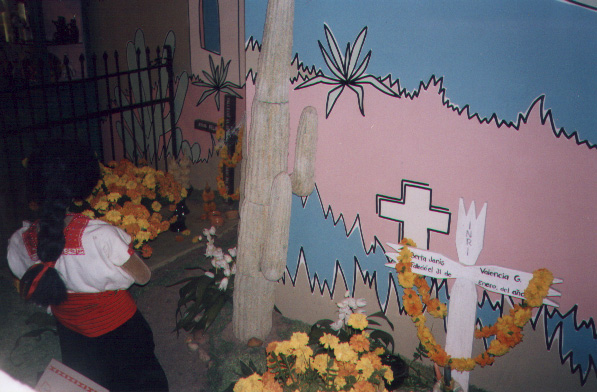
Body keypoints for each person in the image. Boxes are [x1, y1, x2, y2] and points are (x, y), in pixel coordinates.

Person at [7, 139, 168, 392]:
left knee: (88, 382)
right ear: (82, 183)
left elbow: (24, 272)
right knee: (141, 380)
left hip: (72, 334)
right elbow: (143, 276)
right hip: (121, 331)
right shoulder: (99, 236)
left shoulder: (20, 241)